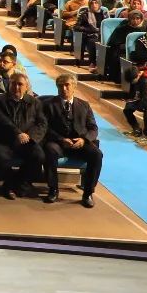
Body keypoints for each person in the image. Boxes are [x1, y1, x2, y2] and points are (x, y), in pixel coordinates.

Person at [42, 73, 103, 208]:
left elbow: (93, 128)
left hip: (80, 143)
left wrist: (84, 139)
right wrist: (61, 139)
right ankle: (53, 189)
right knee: (49, 150)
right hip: (58, 143)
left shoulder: (84, 105)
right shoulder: (48, 105)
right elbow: (45, 128)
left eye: (67, 85)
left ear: (74, 86)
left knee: (97, 154)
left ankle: (88, 193)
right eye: (60, 86)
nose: (64, 89)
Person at [0, 72, 49, 200]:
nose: (16, 87)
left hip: (27, 140)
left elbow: (42, 123)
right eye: (13, 84)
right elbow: (1, 120)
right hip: (4, 139)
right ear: (8, 85)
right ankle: (10, 185)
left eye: (20, 84)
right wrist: (17, 133)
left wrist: (29, 136)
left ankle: (20, 183)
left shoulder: (35, 102)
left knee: (39, 156)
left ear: (26, 86)